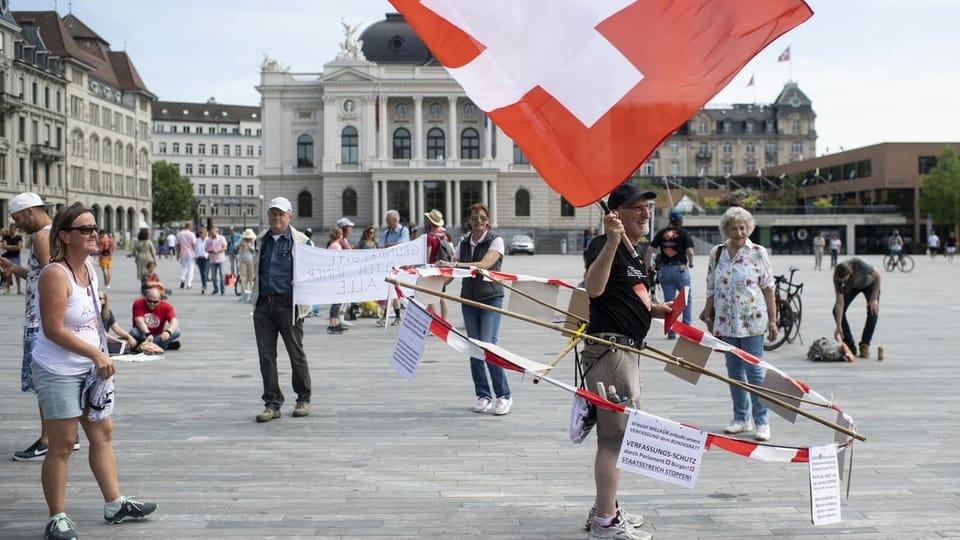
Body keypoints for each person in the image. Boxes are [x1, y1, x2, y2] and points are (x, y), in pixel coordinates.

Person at [32, 202, 157, 538]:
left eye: (94, 228)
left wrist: (117, 344)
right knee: (63, 443)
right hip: (58, 368)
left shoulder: (90, 268)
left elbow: (95, 319)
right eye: (85, 229)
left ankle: (114, 503)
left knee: (103, 433)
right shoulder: (55, 275)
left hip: (91, 367)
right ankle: (56, 517)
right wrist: (95, 354)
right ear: (65, 236)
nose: (94, 234)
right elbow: (53, 329)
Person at [582, 184, 670, 540]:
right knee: (613, 440)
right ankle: (605, 522)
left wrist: (653, 308)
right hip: (610, 351)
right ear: (616, 213)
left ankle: (607, 507)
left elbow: (629, 294)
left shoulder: (636, 253)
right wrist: (613, 241)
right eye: (637, 208)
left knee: (617, 437)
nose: (646, 212)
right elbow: (594, 288)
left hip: (626, 351)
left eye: (647, 207)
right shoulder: (605, 245)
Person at [701, 207, 777, 443]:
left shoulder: (758, 252)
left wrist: (773, 320)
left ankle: (762, 421)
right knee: (734, 372)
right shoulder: (717, 253)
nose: (739, 232)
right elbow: (711, 286)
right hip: (726, 322)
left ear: (749, 228)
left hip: (753, 321)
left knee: (755, 371)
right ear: (726, 229)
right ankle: (741, 418)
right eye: (734, 228)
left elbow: (768, 287)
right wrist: (708, 311)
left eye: (743, 227)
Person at [1, 193, 57, 461]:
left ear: (31, 212)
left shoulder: (42, 237)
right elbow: (39, 274)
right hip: (43, 319)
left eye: (18, 219)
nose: (17, 225)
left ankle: (47, 440)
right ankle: (65, 435)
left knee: (43, 382)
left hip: (40, 321)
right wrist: (15, 269)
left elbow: (52, 277)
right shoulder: (51, 233)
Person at [251, 197, 312, 423]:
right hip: (264, 305)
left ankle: (303, 398)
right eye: (273, 213)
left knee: (296, 354)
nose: (277, 217)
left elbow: (315, 271)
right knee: (266, 357)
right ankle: (272, 403)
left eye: (281, 214)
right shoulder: (261, 240)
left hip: (290, 305)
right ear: (268, 216)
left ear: (290, 216)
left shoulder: (302, 242)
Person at [452, 203, 514, 416]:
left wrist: (455, 265)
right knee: (474, 348)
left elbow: (485, 264)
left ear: (488, 221)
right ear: (468, 221)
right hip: (468, 299)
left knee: (488, 346)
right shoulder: (463, 243)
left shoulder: (495, 241)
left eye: (482, 218)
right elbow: (450, 269)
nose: (478, 221)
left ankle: (504, 395)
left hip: (490, 298)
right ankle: (483, 395)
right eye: (474, 217)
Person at [649, 210, 694, 340]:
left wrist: (648, 265)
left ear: (669, 220)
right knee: (686, 299)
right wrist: (690, 264)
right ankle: (686, 329)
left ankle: (671, 331)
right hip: (680, 269)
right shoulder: (684, 233)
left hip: (665, 270)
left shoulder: (662, 233)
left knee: (670, 302)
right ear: (680, 221)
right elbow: (690, 252)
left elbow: (650, 249)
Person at [833, 258, 881, 359]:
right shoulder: (837, 277)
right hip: (852, 287)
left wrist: (873, 299)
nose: (842, 282)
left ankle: (865, 345)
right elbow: (839, 302)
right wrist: (838, 325)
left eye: (844, 280)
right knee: (836, 312)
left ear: (851, 273)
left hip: (870, 284)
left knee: (873, 311)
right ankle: (849, 345)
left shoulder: (861, 264)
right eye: (841, 281)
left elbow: (878, 277)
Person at [378, 210, 409, 326]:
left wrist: (388, 246)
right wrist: (392, 246)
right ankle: (393, 316)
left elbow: (402, 245)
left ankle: (394, 316)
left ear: (395, 220)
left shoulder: (403, 231)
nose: (386, 222)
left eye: (388, 220)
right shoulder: (386, 233)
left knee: (394, 290)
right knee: (390, 291)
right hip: (388, 265)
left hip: (399, 266)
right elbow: (381, 246)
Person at [424, 209, 453, 320]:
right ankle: (444, 321)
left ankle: (434, 322)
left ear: (430, 223)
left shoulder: (430, 237)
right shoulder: (443, 235)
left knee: (430, 298)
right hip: (442, 268)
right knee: (442, 296)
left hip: (432, 269)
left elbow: (428, 255)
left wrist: (425, 267)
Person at [325, 227, 348, 334]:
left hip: (334, 276)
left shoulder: (332, 245)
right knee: (337, 302)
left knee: (337, 301)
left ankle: (336, 322)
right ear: (340, 235)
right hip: (337, 277)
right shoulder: (336, 246)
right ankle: (333, 323)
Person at [2, 222, 23, 294]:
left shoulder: (18, 237)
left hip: (16, 257)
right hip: (7, 257)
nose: (11, 230)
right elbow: (4, 246)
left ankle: (19, 290)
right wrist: (14, 247)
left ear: (15, 229)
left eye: (12, 229)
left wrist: (9, 247)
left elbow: (19, 247)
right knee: (7, 273)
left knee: (18, 274)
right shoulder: (6, 237)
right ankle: (8, 289)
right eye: (10, 229)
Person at [237, 228, 257, 302]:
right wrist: (240, 245)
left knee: (251, 278)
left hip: (251, 261)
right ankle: (244, 295)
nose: (247, 239)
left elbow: (255, 250)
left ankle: (251, 295)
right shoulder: (242, 240)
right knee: (243, 278)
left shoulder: (254, 240)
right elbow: (236, 247)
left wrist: (249, 246)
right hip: (243, 261)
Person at [206, 227, 227, 295]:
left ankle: (222, 289)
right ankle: (215, 289)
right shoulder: (208, 240)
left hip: (221, 259)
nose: (212, 234)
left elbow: (225, 247)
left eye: (213, 233)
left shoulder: (221, 238)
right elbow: (205, 249)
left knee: (221, 274)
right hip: (212, 260)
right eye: (211, 233)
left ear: (216, 232)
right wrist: (211, 251)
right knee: (213, 276)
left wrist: (218, 251)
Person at [175, 222, 197, 289]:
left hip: (183, 253)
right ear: (190, 226)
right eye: (192, 226)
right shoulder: (191, 234)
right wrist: (196, 252)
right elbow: (193, 244)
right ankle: (189, 283)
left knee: (184, 267)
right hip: (191, 253)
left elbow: (177, 245)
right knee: (191, 268)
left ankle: (182, 278)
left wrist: (178, 254)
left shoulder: (179, 234)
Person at [195, 227, 210, 294]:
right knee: (202, 274)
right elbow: (196, 250)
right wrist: (196, 258)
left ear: (205, 233)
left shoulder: (208, 240)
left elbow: (210, 248)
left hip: (206, 258)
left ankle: (204, 286)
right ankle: (204, 286)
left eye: (202, 232)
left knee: (204, 273)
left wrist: (207, 255)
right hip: (199, 258)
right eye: (200, 233)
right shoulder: (197, 240)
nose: (201, 234)